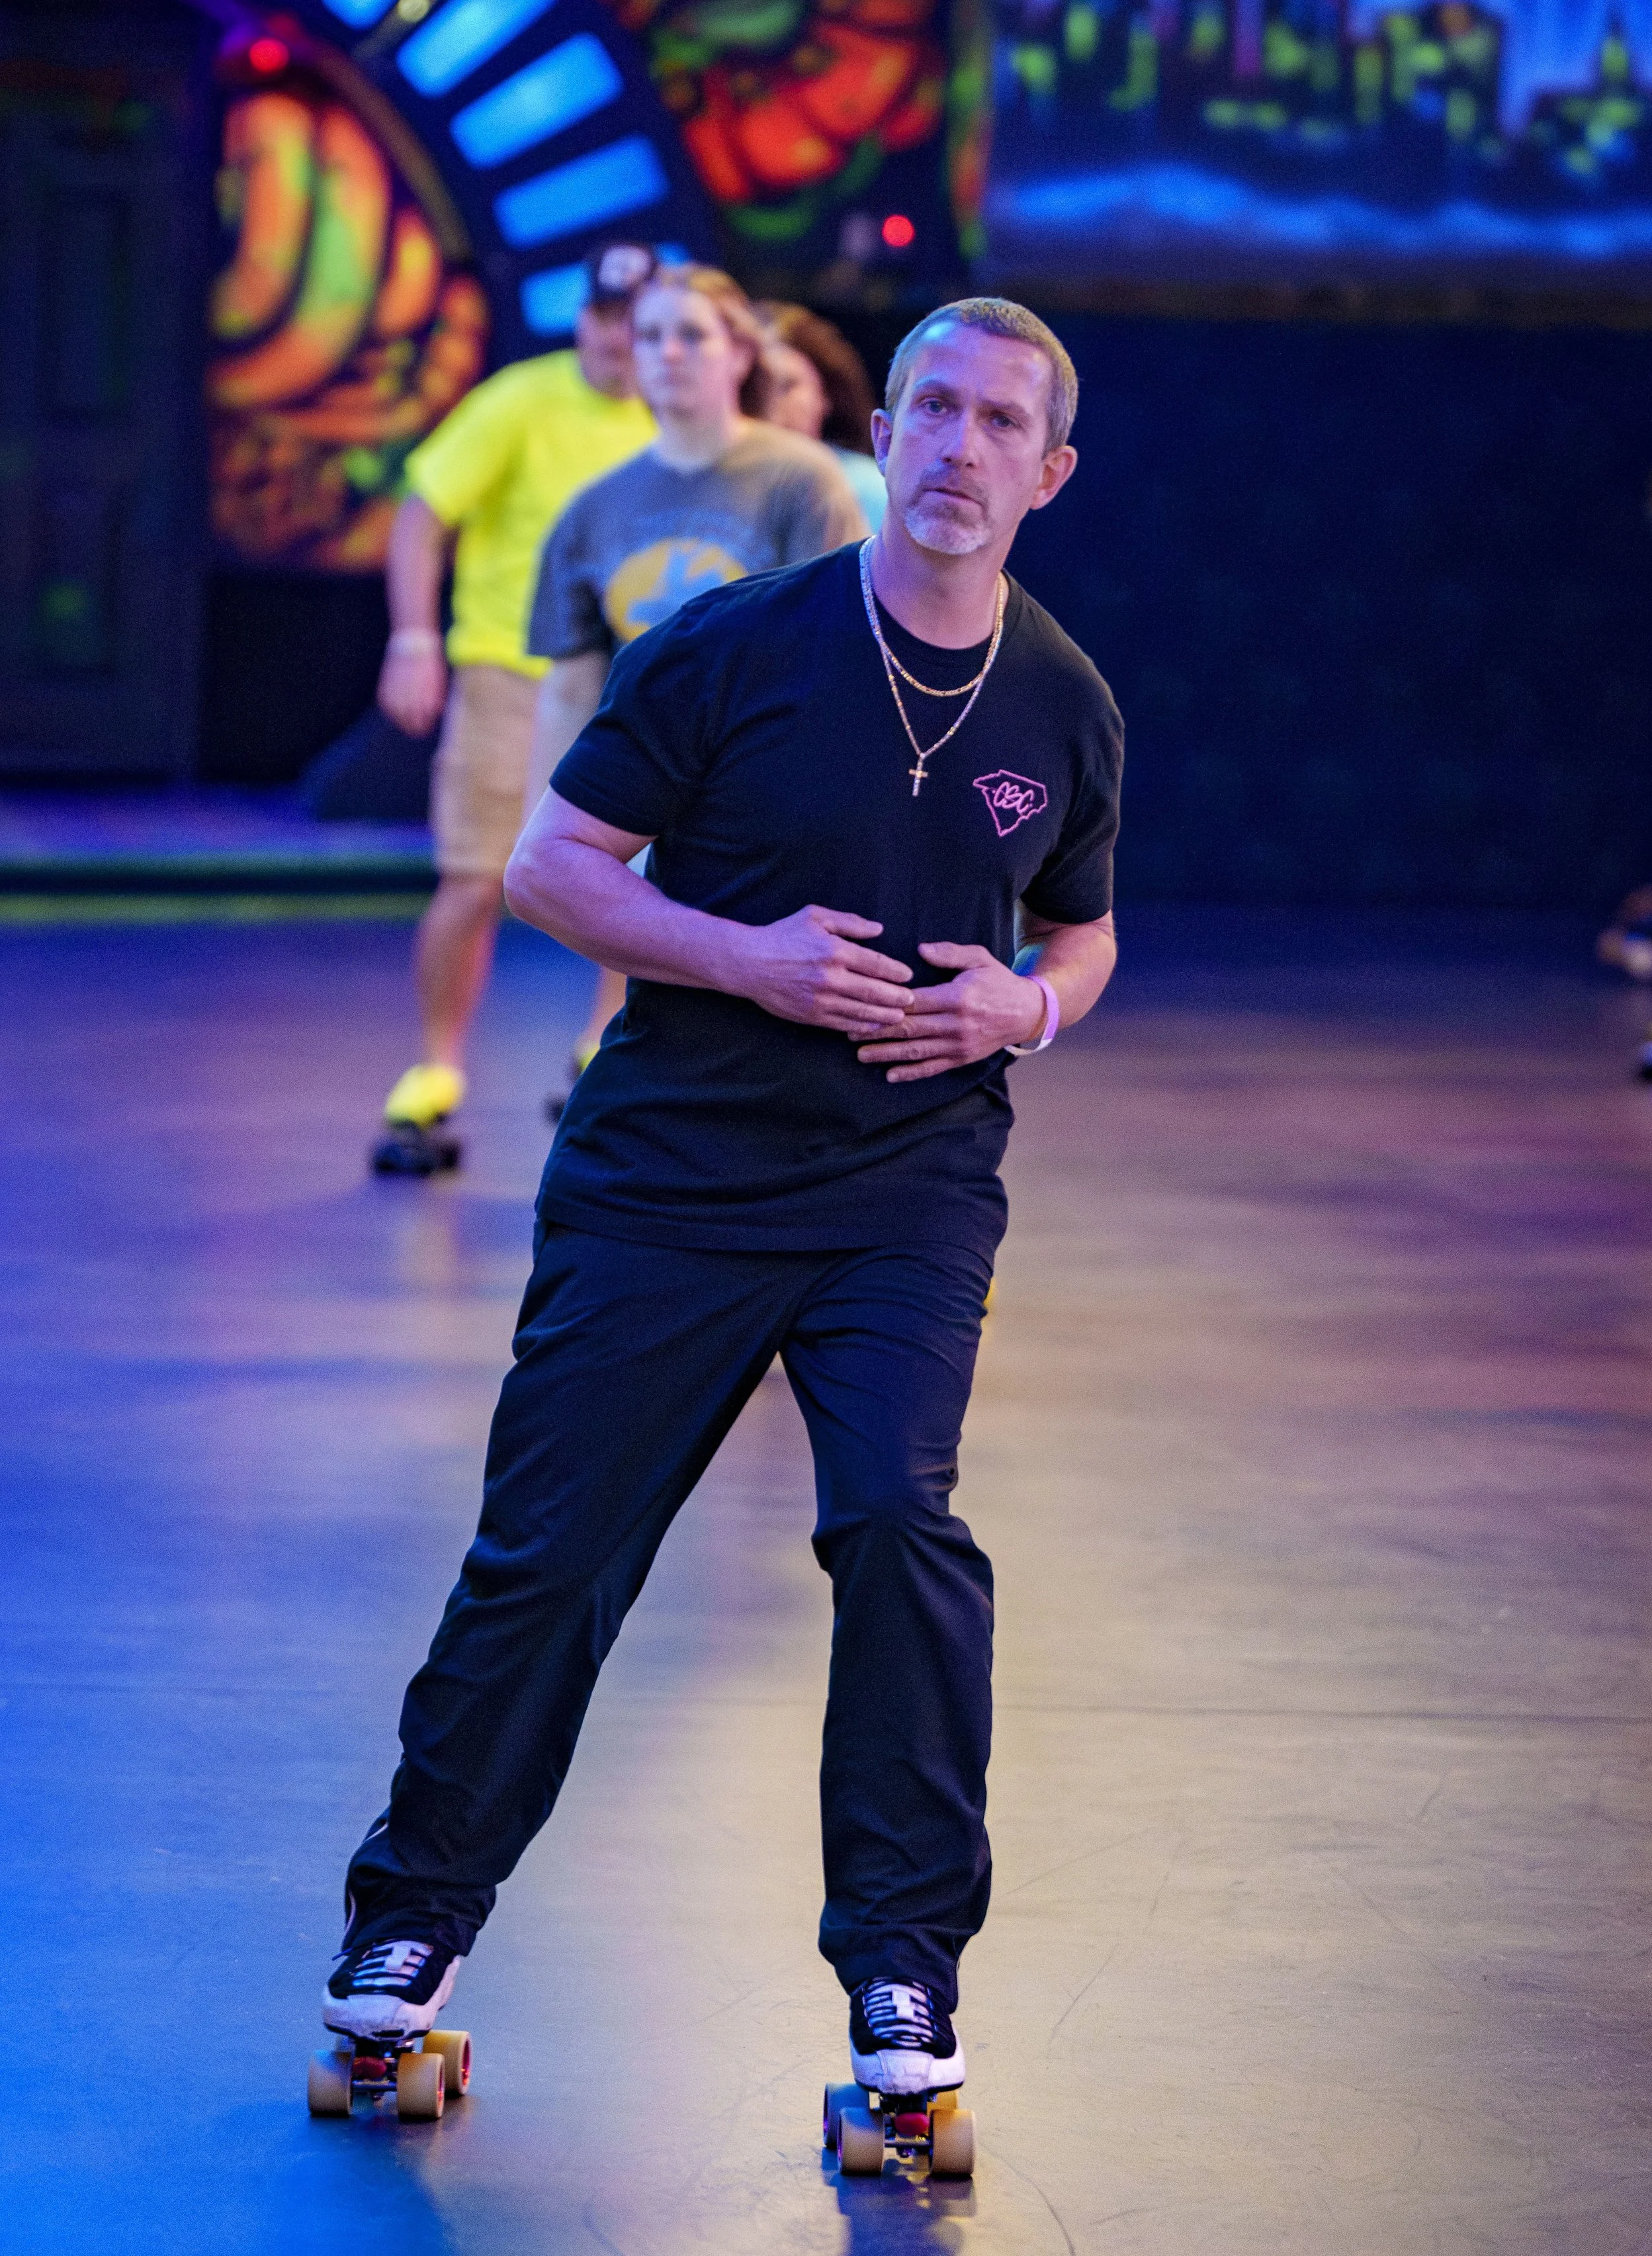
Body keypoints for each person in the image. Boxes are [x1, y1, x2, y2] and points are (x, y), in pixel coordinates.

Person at [322, 298, 1121, 2119]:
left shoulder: (1062, 697)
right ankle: (410, 1920)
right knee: (553, 1555)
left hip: (907, 1184)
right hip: (671, 1174)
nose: (958, 444)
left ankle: (903, 1976)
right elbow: (549, 867)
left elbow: (1078, 923)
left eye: (1001, 421)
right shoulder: (730, 649)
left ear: (1044, 473)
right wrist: (746, 959)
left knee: (902, 1533)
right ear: (883, 433)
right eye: (931, 405)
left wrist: (1034, 1003)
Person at [526, 263, 867, 1111]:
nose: (668, 354)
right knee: (664, 1012)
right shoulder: (593, 508)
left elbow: (847, 652)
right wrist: (553, 822)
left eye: (691, 334)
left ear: (737, 352)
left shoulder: (802, 480)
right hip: (646, 790)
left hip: (771, 791)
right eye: (649, 336)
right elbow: (572, 684)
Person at [370, 242, 659, 1177]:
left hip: (628, 683)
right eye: (607, 316)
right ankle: (436, 1067)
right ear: (584, 318)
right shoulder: (522, 401)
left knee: (638, 882)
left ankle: (600, 1050)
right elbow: (425, 507)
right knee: (473, 877)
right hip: (510, 667)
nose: (620, 338)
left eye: (639, 320)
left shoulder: (679, 417)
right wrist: (414, 638)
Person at [757, 299, 888, 532]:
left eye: (788, 385)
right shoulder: (716, 484)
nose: (770, 403)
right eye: (756, 387)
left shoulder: (872, 492)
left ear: (826, 395)